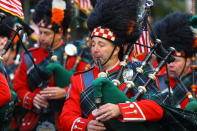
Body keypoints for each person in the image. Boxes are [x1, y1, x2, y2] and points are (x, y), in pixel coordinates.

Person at [59, 0, 167, 130]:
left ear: (116, 49)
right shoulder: (79, 80)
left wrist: (120, 109)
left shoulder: (137, 71)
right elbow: (66, 117)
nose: (95, 49)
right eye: (93, 44)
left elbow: (157, 108)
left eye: (101, 44)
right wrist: (85, 125)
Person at [12, 0, 90, 130]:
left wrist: (65, 92)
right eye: (40, 32)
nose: (41, 38)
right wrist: (32, 98)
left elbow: (86, 88)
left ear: (59, 33)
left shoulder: (76, 55)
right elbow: (18, 87)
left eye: (46, 33)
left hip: (63, 120)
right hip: (34, 120)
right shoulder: (29, 56)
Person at [153, 12, 197, 109]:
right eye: (168, 60)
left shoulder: (194, 80)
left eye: (176, 61)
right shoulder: (156, 79)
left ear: (188, 61)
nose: (170, 64)